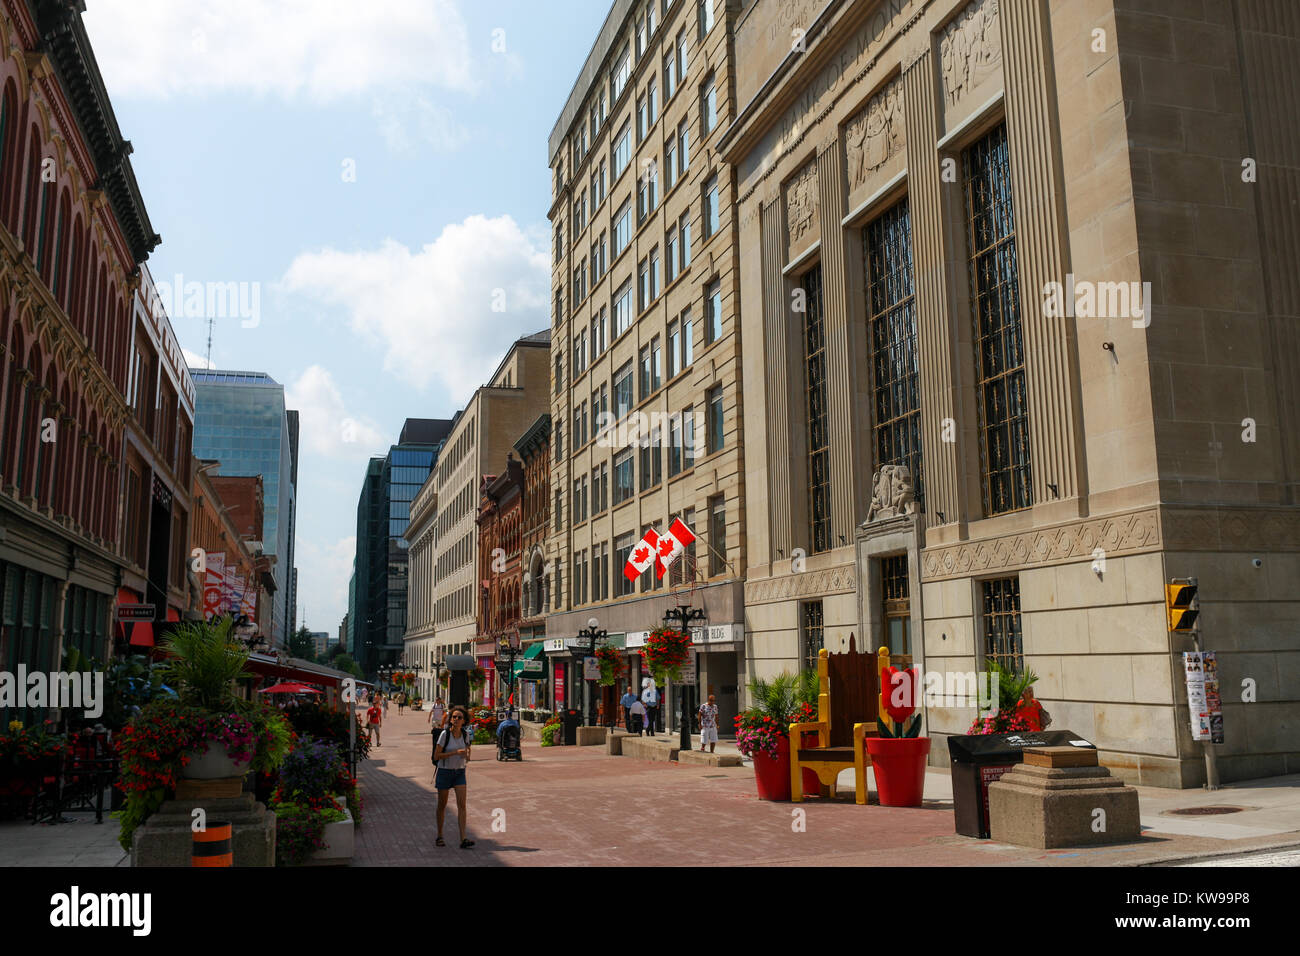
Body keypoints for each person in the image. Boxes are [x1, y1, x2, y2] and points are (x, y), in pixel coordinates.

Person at [433, 705, 475, 849]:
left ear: (464, 721)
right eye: (454, 717)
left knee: (462, 805)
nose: (456, 719)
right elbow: (436, 756)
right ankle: (439, 835)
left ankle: (463, 838)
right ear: (450, 720)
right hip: (444, 772)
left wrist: (466, 756)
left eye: (459, 717)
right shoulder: (445, 735)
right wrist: (455, 752)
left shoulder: (465, 735)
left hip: (459, 773)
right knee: (442, 805)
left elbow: (468, 754)